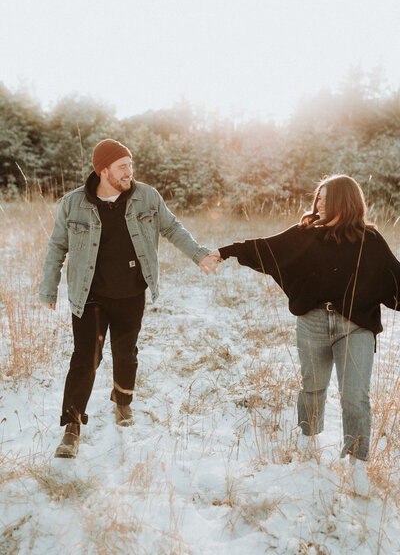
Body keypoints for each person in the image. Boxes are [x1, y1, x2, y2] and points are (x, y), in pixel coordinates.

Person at [212, 175, 400, 496]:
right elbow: (266, 247)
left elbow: (396, 280)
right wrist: (225, 251)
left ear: (346, 201)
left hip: (354, 326)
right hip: (312, 322)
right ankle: (307, 441)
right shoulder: (305, 234)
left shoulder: (370, 240)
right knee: (312, 386)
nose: (319, 203)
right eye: (318, 198)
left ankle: (356, 464)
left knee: (355, 395)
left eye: (327, 198)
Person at [39, 139, 219, 458]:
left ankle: (122, 402)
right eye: (122, 167)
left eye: (131, 165)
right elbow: (57, 247)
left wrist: (199, 255)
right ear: (103, 170)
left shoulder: (146, 196)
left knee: (126, 353)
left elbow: (172, 228)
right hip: (89, 295)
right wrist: (49, 287)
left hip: (131, 293)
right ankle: (72, 427)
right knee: (85, 359)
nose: (129, 172)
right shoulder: (73, 203)